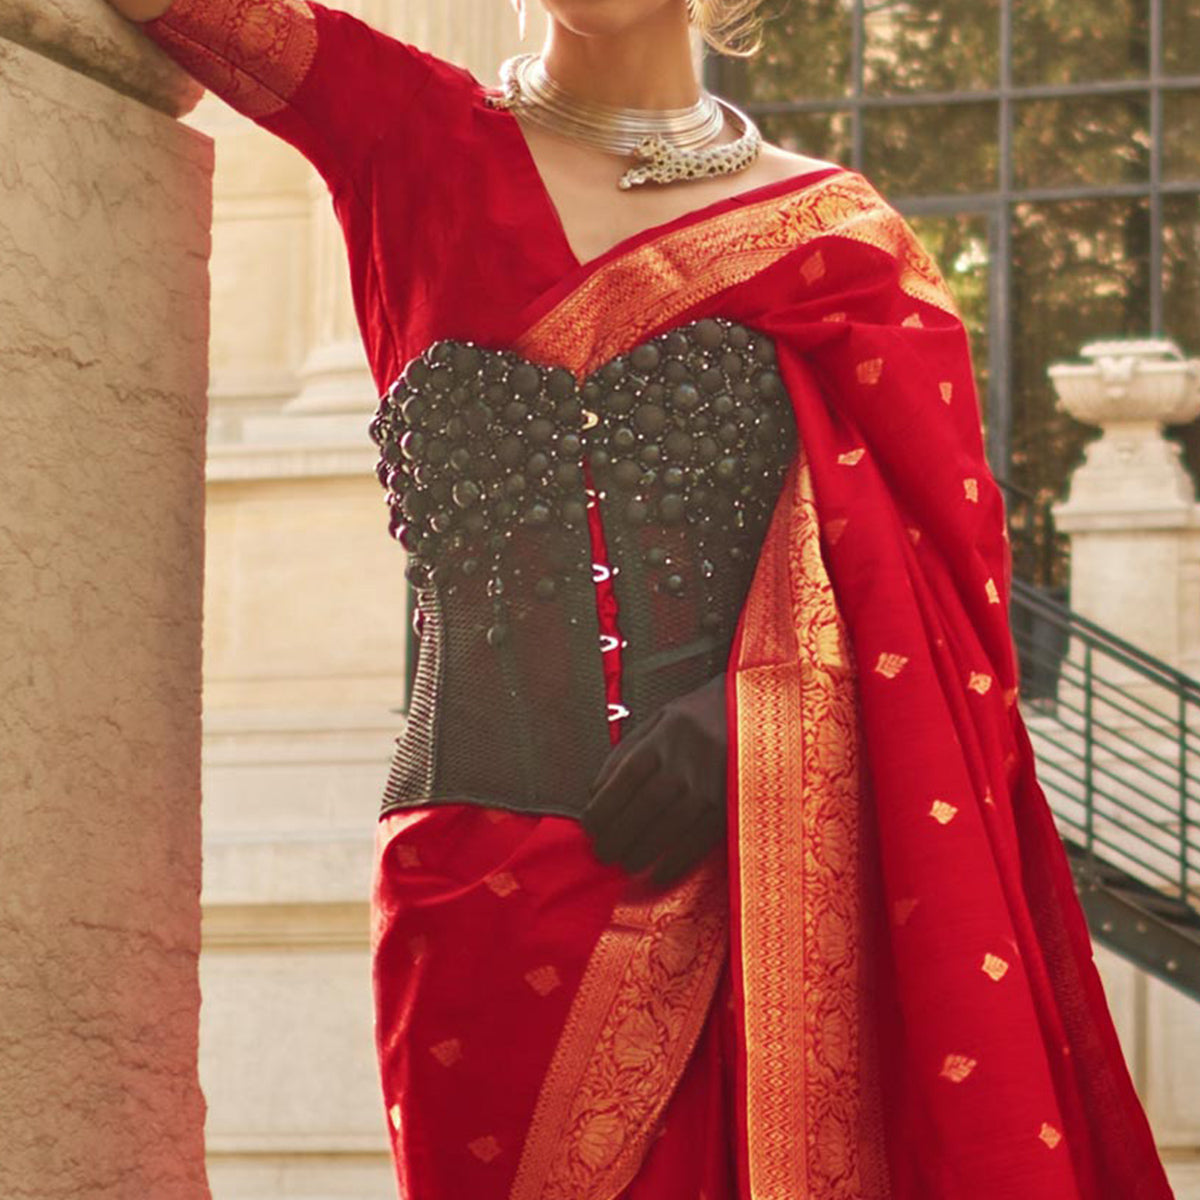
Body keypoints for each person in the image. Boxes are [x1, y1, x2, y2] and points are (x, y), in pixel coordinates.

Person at [105, 0, 1178, 1196]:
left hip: (753, 884)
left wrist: (758, 721)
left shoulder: (837, 240)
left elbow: (934, 592)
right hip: (480, 892)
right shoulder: (407, 137)